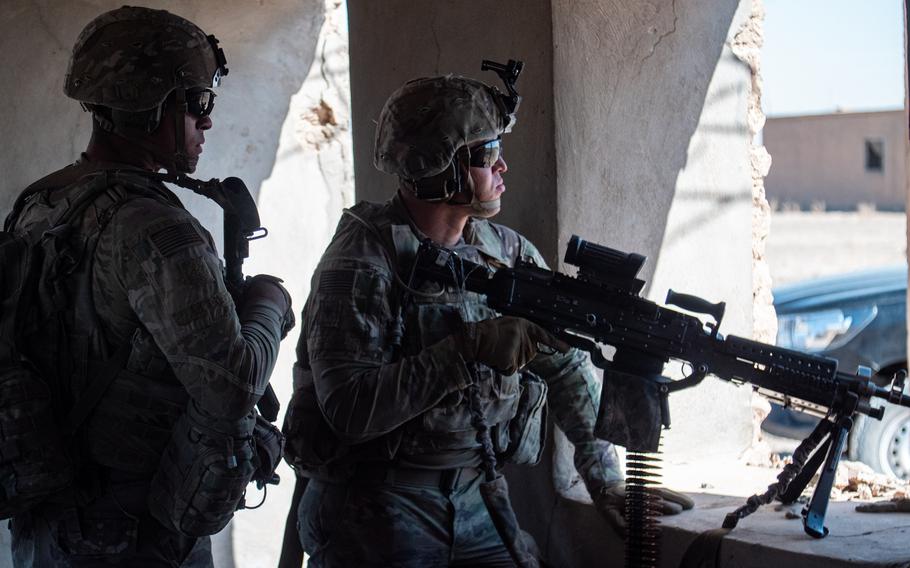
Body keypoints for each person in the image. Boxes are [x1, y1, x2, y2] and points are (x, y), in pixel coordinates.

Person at [285, 70, 692, 567]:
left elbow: (563, 366)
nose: (502, 165)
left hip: (479, 496)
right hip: (376, 508)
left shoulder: (507, 253)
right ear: (437, 166)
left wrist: (604, 479)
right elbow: (350, 410)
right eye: (484, 153)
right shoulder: (364, 260)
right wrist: (466, 350)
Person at [6, 7, 293, 567]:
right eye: (196, 102)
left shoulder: (41, 205)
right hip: (136, 534)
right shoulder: (151, 227)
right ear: (149, 109)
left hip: (49, 527)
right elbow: (231, 384)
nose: (205, 122)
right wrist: (269, 307)